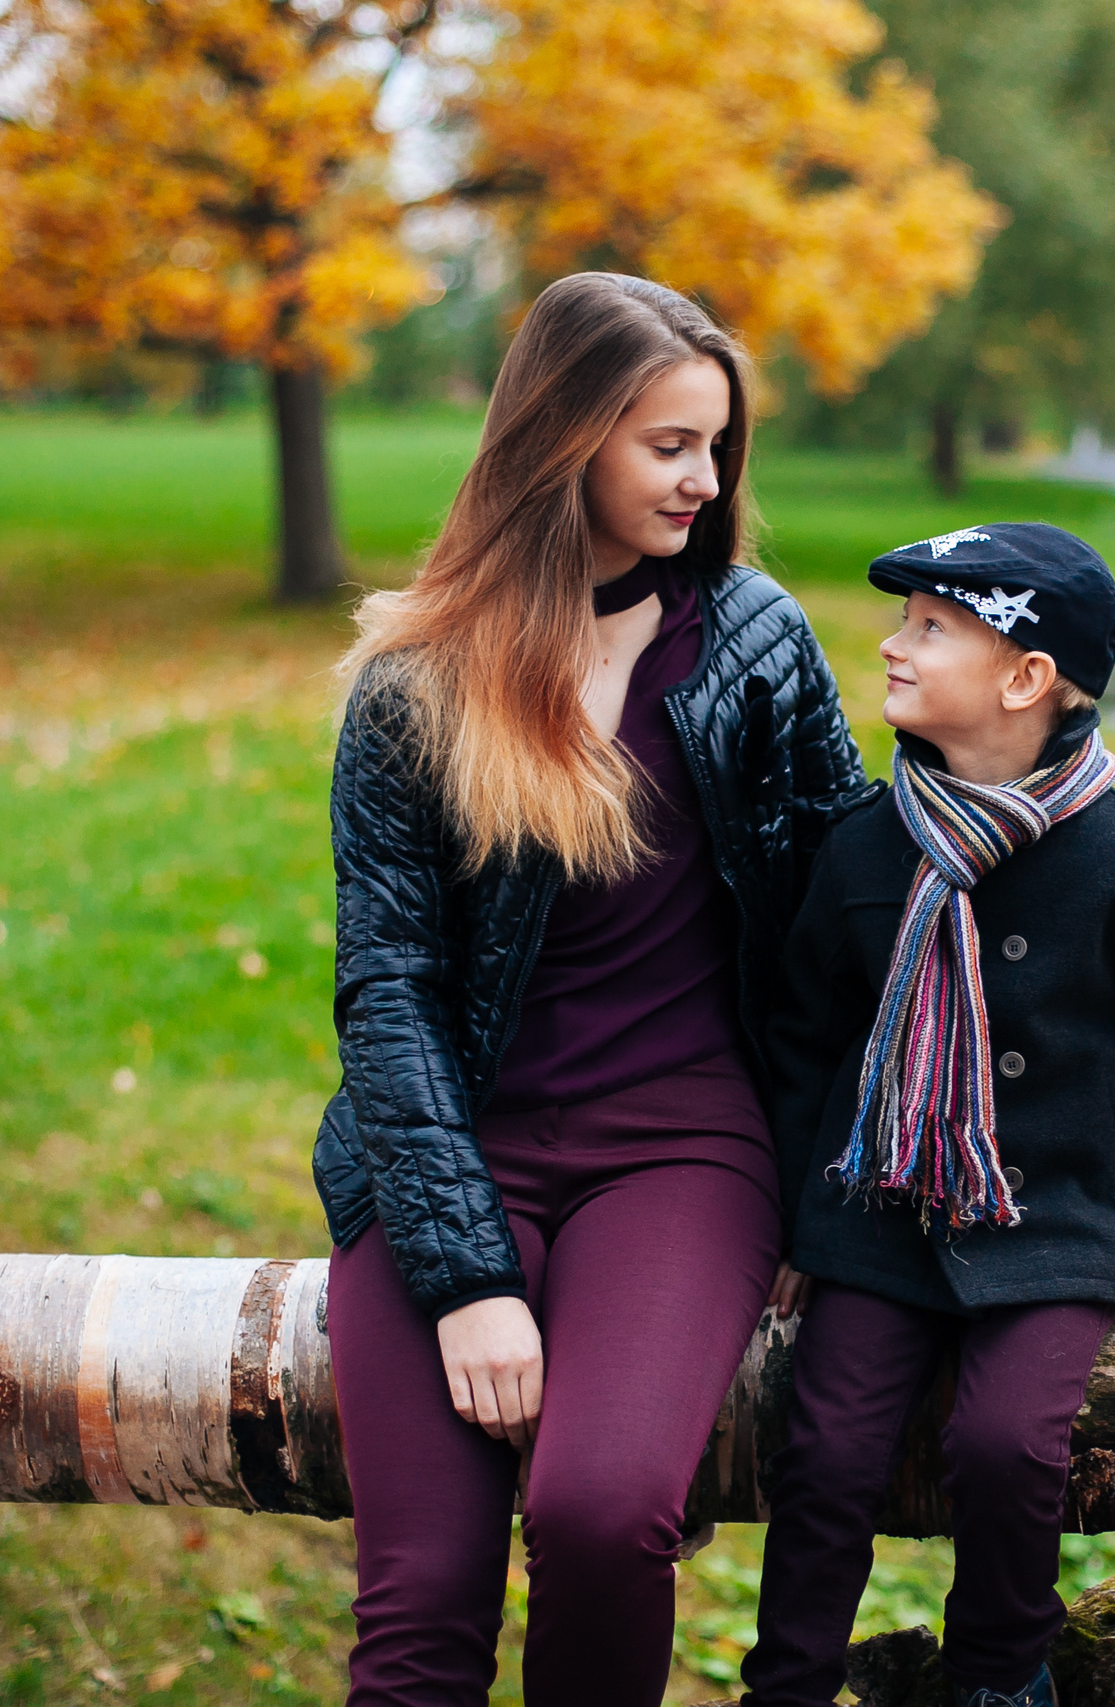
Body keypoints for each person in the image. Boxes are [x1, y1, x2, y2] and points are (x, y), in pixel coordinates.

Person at [312, 272, 863, 1705]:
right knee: (424, 1598)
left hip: (684, 1147)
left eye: (717, 446)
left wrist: (832, 1186)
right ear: (564, 439)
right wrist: (469, 1277)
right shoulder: (415, 682)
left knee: (603, 1511)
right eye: (668, 444)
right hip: (449, 1148)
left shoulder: (754, 642)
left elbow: (842, 925)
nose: (706, 478)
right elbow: (388, 986)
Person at [741, 523, 1115, 1707]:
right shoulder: (867, 847)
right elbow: (802, 1041)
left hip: (1066, 1218)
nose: (891, 644)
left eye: (931, 629)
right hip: (878, 1210)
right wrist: (790, 1228)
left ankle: (999, 1679)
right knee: (826, 1452)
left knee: (1003, 1445)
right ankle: (785, 1684)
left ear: (1026, 679)